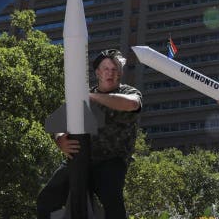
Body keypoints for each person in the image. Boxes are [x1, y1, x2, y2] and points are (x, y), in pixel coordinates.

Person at [37, 49, 142, 219]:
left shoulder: (129, 93)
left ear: (120, 73)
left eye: (115, 69)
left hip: (111, 161)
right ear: (98, 73)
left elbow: (131, 105)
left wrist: (92, 97)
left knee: (112, 203)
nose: (110, 73)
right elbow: (61, 121)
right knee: (45, 200)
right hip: (79, 157)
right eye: (106, 69)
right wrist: (60, 139)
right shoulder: (82, 96)